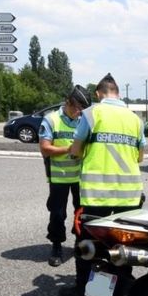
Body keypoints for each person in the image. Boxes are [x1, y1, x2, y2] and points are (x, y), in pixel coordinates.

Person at [61, 73, 145, 296]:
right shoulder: (135, 119)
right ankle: (118, 292)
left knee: (89, 245)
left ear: (99, 93)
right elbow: (139, 157)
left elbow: (76, 151)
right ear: (117, 92)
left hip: (97, 194)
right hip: (129, 196)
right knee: (123, 244)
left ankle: (85, 294)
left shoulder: (91, 113)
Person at [39, 85, 91, 267]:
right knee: (57, 213)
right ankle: (56, 245)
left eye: (83, 110)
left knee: (81, 212)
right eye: (77, 108)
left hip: (80, 177)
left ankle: (79, 241)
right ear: (68, 102)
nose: (79, 113)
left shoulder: (83, 119)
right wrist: (68, 149)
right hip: (59, 176)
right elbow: (45, 148)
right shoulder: (51, 119)